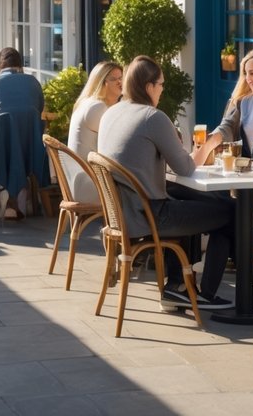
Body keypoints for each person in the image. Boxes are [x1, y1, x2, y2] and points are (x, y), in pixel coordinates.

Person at [98, 55, 233, 310]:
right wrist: (211, 144)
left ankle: (178, 287)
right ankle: (204, 294)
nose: (162, 89)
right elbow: (185, 167)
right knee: (228, 213)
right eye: (161, 84)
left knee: (189, 200)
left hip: (123, 214)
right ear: (149, 86)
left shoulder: (112, 112)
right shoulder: (152, 117)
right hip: (149, 216)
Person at [0, 47, 47, 217]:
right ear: (20, 66)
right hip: (29, 145)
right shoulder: (33, 82)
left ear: (0, 66)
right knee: (16, 143)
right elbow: (38, 108)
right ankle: (19, 199)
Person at [66, 61, 123, 202]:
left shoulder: (89, 103)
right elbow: (116, 147)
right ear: (102, 83)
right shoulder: (97, 108)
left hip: (80, 181)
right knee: (141, 189)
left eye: (121, 78)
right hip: (88, 185)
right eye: (114, 79)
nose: (120, 82)